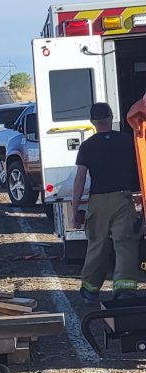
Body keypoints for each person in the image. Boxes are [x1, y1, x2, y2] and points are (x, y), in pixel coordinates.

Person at [72, 101, 141, 303]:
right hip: (124, 198)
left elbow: (80, 179)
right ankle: (124, 290)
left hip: (98, 201)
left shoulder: (87, 146)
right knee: (125, 243)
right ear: (111, 118)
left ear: (92, 122)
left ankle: (90, 290)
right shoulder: (128, 141)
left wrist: (75, 210)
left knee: (97, 244)